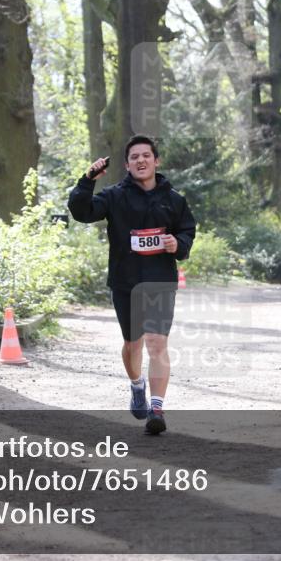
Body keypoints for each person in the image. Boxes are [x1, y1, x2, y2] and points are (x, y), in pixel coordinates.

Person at [67, 135, 196, 435]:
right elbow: (80, 212)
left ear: (156, 160)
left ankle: (157, 409)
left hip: (161, 282)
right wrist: (87, 180)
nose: (141, 160)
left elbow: (187, 231)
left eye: (146, 155)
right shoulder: (114, 196)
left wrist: (177, 243)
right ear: (127, 164)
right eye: (134, 157)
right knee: (132, 344)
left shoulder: (174, 199)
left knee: (157, 343)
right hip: (125, 283)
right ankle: (137, 385)